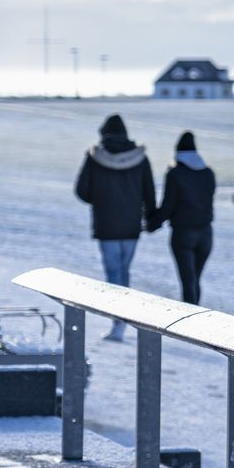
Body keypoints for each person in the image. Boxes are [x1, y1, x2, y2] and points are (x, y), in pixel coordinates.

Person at [75, 113, 157, 340]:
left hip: (106, 222)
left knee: (112, 271)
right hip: (131, 223)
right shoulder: (140, 157)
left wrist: (101, 200)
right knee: (124, 270)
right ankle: (122, 318)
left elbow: (82, 190)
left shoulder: (95, 156)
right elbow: (149, 191)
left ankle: (117, 321)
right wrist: (149, 218)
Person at [150, 131, 214, 306]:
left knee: (188, 282)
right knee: (195, 279)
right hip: (206, 234)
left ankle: (190, 324)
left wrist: (152, 224)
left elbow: (168, 206)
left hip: (183, 233)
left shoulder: (175, 173)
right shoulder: (208, 173)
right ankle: (197, 319)